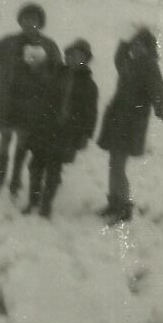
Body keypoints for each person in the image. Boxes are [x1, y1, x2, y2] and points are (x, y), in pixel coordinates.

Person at [0, 3, 61, 198]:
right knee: (5, 138)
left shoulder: (48, 45)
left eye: (34, 19)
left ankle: (15, 180)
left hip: (32, 102)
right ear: (20, 21)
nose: (29, 23)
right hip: (7, 100)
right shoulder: (10, 41)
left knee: (23, 141)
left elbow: (58, 73)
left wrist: (40, 70)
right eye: (25, 19)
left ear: (40, 23)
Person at [97, 27, 163, 224]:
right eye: (135, 44)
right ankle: (114, 201)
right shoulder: (129, 63)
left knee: (118, 165)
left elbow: (157, 88)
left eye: (142, 45)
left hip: (131, 123)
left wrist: (161, 107)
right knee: (114, 164)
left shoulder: (149, 65)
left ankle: (123, 206)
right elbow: (118, 59)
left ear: (149, 49)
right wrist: (125, 44)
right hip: (117, 118)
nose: (137, 48)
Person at [23, 38, 98, 219]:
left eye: (80, 56)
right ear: (66, 56)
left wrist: (85, 135)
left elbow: (91, 113)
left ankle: (46, 205)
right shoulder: (56, 75)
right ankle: (33, 201)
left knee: (54, 169)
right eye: (71, 55)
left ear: (86, 60)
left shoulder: (89, 85)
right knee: (35, 165)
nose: (74, 59)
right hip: (44, 128)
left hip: (66, 133)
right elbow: (43, 99)